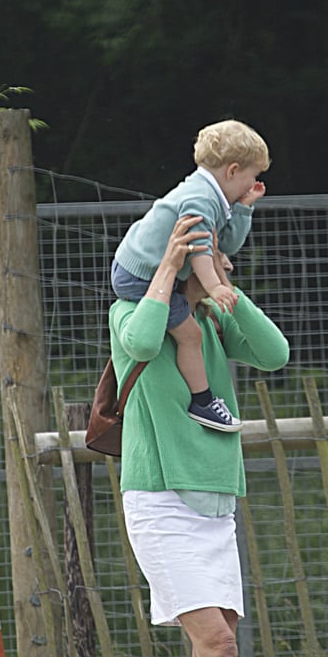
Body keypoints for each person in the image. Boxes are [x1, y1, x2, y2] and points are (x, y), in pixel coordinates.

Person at [108, 213, 313, 657]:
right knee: (217, 646)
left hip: (214, 504)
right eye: (216, 256)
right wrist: (168, 269)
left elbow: (275, 353)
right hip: (161, 501)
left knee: (210, 653)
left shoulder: (215, 319)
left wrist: (226, 291)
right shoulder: (130, 315)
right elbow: (143, 345)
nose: (225, 262)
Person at [111, 119, 269, 432]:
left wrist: (244, 209)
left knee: (191, 330)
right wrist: (215, 287)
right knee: (191, 334)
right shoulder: (200, 198)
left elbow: (223, 246)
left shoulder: (213, 196)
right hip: (139, 277)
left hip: (150, 273)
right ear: (232, 170)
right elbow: (200, 252)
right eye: (251, 177)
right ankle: (203, 401)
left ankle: (202, 400)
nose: (251, 185)